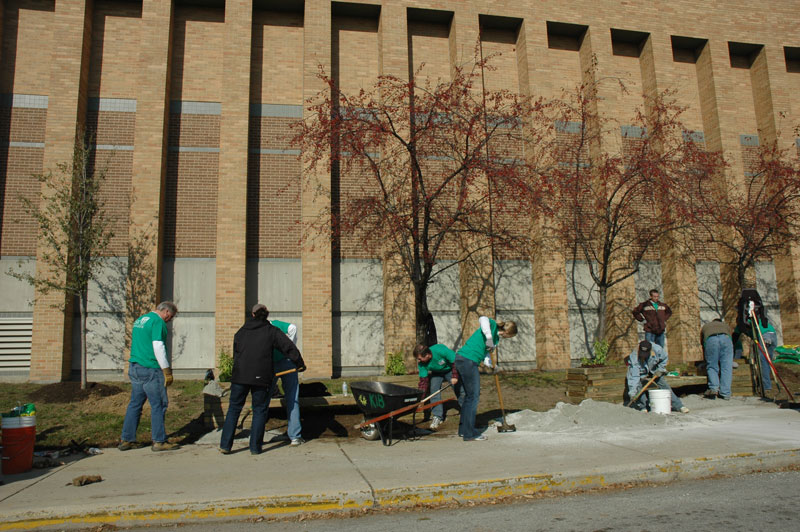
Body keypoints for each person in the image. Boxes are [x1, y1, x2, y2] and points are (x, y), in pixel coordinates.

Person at [219, 304, 305, 455]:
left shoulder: (241, 332)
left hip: (240, 376)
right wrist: (299, 363)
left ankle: (225, 445)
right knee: (259, 410)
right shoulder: (271, 331)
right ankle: (255, 447)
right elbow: (288, 347)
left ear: (252, 315)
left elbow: (236, 352)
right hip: (261, 376)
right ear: (266, 315)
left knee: (234, 409)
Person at [120, 301, 180, 452]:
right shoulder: (158, 322)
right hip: (151, 368)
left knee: (135, 404)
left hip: (135, 366)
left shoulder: (141, 320)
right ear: (166, 312)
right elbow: (158, 346)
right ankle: (159, 440)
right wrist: (166, 370)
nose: (169, 320)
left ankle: (127, 439)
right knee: (158, 404)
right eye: (170, 317)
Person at [455, 317, 517, 441]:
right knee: (473, 397)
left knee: (469, 397)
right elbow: (482, 319)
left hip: (463, 359)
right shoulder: (492, 326)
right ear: (508, 332)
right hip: (468, 360)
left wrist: (492, 366)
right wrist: (488, 337)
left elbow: (486, 354)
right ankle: (470, 434)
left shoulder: (496, 339)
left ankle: (464, 430)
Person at [626, 340, 689, 413]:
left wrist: (660, 369)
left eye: (645, 354)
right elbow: (634, 376)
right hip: (642, 374)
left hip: (655, 371)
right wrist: (633, 393)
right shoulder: (634, 357)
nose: (643, 356)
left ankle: (679, 406)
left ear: (650, 351)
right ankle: (643, 407)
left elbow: (664, 359)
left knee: (665, 387)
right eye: (642, 353)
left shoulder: (657, 350)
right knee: (638, 387)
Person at [269, 318, 304, 446]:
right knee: (292, 397)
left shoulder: (266, 327)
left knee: (263, 399)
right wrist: (289, 349)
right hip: (287, 363)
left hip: (271, 364)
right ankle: (295, 436)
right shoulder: (275, 324)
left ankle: (258, 435)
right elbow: (292, 328)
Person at [413, 343, 464, 430]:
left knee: (460, 390)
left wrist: (455, 376)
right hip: (436, 373)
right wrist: (420, 398)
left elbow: (455, 360)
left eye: (420, 358)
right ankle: (437, 416)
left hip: (450, 369)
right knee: (434, 392)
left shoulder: (440, 350)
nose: (419, 360)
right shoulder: (422, 364)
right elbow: (423, 382)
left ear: (427, 355)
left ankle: (466, 412)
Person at [733, 316, 777, 397]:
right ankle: (764, 383)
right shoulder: (753, 320)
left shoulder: (743, 324)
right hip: (772, 334)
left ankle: (766, 387)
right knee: (767, 361)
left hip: (763, 335)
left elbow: (734, 338)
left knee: (762, 361)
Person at [700, 318, 734, 400]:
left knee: (712, 366)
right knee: (727, 367)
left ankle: (714, 389)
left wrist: (707, 358)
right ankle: (725, 393)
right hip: (726, 339)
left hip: (711, 339)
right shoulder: (725, 326)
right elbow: (730, 338)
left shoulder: (706, 326)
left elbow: (702, 343)